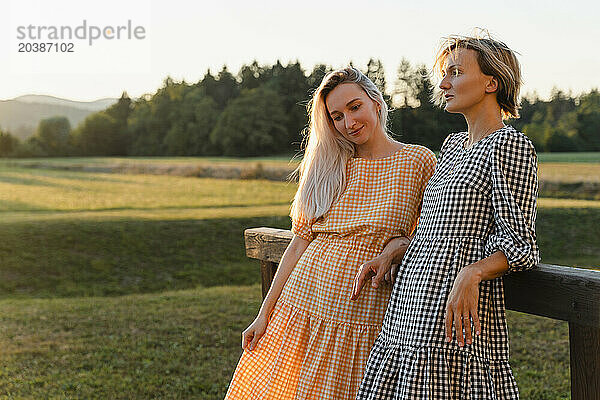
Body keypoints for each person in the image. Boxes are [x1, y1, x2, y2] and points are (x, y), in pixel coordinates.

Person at [225, 67, 436, 399]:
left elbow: (427, 234)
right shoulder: (330, 163)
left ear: (376, 102)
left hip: (363, 310)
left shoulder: (417, 161)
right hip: (303, 301)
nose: (348, 123)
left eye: (354, 107)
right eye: (336, 117)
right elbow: (299, 243)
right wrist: (263, 315)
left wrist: (395, 246)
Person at [353, 34, 539, 399]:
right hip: (410, 300)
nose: (443, 83)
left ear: (491, 82)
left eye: (455, 72)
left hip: (449, 307)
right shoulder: (453, 146)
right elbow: (438, 225)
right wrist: (401, 245)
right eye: (444, 73)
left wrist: (475, 271)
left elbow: (520, 244)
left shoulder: (510, 146)